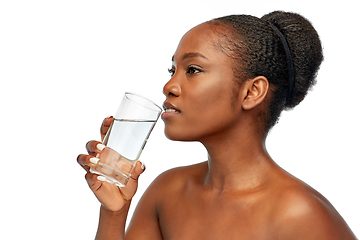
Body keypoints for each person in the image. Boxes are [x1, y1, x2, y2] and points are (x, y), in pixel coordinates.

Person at [77, 11, 357, 240]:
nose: (169, 86)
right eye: (172, 70)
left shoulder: (301, 215)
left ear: (252, 92)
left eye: (193, 70)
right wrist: (114, 211)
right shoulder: (167, 192)